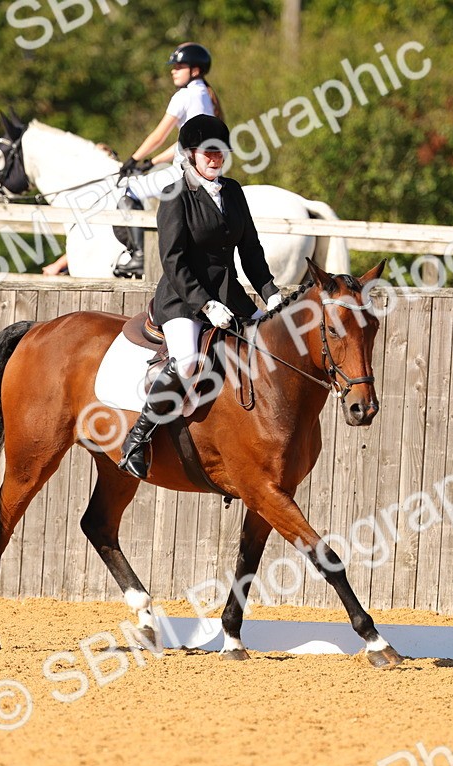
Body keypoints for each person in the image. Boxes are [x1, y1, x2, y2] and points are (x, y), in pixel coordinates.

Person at [117, 115, 283, 479]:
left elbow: (251, 250)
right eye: (208, 153)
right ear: (191, 155)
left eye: (221, 152)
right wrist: (204, 304)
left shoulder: (234, 192)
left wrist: (271, 294)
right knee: (189, 361)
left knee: (271, 347)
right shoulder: (176, 196)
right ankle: (137, 439)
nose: (215, 159)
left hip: (232, 298)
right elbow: (172, 260)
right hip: (182, 300)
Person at [113, 43, 224, 279]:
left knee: (129, 190)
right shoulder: (205, 95)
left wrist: (133, 158)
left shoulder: (184, 96)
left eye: (179, 66)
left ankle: (140, 256)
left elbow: (159, 135)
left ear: (195, 70)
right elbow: (184, 142)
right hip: (201, 172)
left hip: (182, 173)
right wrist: (152, 162)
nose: (173, 70)